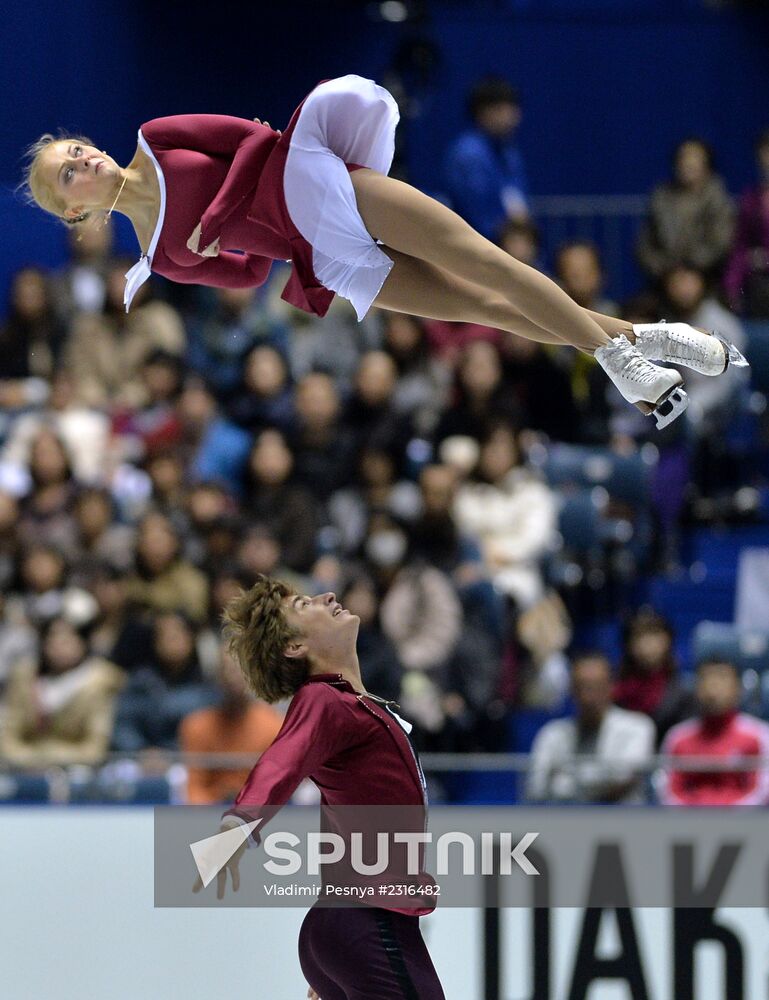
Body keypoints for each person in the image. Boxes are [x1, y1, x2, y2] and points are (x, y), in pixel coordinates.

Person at [24, 75, 743, 428]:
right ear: (74, 211)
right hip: (316, 252)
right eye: (69, 172)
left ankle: (621, 361)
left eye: (77, 149)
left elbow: (253, 140)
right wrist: (222, 238)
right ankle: (652, 339)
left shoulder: (156, 137)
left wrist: (215, 211)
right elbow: (246, 267)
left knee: (486, 262)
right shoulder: (160, 257)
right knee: (480, 308)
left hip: (310, 181)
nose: (83, 159)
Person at [199, 575, 445, 999]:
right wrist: (241, 820)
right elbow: (282, 759)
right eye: (304, 604)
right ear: (295, 647)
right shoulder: (323, 700)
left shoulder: (352, 703)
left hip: (350, 926)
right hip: (366, 922)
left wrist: (335, 959)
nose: (328, 595)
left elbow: (340, 812)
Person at [526, 652, 655, 804]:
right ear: (571, 689)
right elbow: (536, 788)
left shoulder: (638, 727)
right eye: (582, 686)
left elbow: (623, 779)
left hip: (623, 821)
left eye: (596, 686)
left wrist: (565, 783)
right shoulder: (552, 733)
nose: (588, 696)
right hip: (564, 821)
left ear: (611, 686)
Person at [658, 659, 769, 806]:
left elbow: (762, 790)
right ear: (696, 689)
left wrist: (724, 818)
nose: (713, 687)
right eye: (706, 679)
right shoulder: (677, 737)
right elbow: (667, 792)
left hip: (743, 824)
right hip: (687, 823)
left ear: (738, 688)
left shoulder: (759, 735)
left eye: (722, 678)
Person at [179, 649, 284, 805]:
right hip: (210, 816)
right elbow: (194, 788)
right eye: (227, 669)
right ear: (217, 677)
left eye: (240, 669)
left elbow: (279, 787)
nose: (233, 676)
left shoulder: (275, 726)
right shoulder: (196, 726)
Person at [636, 137, 735, 285]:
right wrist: (666, 269)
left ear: (707, 163)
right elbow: (645, 246)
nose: (688, 162)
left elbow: (720, 244)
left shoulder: (718, 199)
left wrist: (690, 268)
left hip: (708, 280)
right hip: (664, 280)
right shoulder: (661, 197)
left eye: (695, 157)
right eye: (683, 157)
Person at [724, 128, 769, 317]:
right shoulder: (751, 200)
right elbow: (740, 246)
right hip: (760, 285)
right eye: (765, 154)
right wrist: (731, 286)